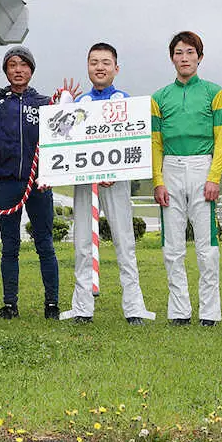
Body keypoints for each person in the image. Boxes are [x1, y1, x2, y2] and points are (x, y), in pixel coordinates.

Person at [0, 46, 69, 320]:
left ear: (31, 70)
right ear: (6, 71)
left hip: (39, 183)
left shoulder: (45, 103)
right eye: (12, 65)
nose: (18, 70)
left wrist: (68, 105)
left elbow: (63, 137)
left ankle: (52, 304)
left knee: (44, 242)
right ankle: (10, 303)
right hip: (7, 183)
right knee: (10, 244)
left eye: (23, 65)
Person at [60, 43, 154, 325]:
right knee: (82, 243)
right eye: (93, 62)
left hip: (116, 181)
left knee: (124, 242)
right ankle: (82, 307)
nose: (99, 67)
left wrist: (117, 169)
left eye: (105, 62)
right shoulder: (80, 104)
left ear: (116, 68)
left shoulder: (126, 101)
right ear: (87, 66)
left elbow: (136, 142)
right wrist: (63, 105)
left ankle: (134, 307)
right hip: (84, 181)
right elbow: (62, 137)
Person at [151, 31, 222, 327]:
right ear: (172, 58)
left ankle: (210, 312)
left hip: (202, 168)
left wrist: (214, 176)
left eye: (190, 52)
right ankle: (179, 311)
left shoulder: (214, 92)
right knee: (172, 246)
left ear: (200, 57)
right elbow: (155, 142)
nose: (185, 58)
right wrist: (158, 181)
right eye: (179, 53)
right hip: (170, 168)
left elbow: (221, 138)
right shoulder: (159, 97)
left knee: (207, 246)